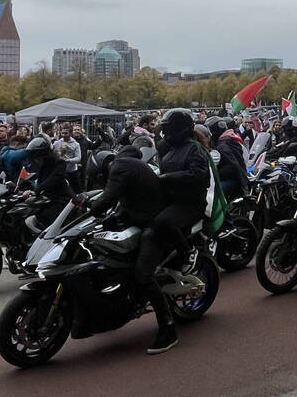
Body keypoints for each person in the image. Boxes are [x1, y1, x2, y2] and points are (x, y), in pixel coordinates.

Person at [84, 145, 169, 354]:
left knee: (144, 275)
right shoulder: (128, 165)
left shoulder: (120, 167)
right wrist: (114, 217)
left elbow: (109, 197)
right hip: (141, 217)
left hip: (152, 224)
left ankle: (168, 330)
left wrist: (91, 209)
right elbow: (128, 198)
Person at [143, 108, 211, 354]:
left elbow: (198, 176)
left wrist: (167, 178)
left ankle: (187, 250)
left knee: (162, 223)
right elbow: (150, 163)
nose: (165, 132)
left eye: (169, 128)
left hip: (189, 204)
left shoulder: (195, 149)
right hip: (169, 200)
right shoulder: (166, 147)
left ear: (181, 129)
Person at [52, 128, 82, 193]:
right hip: (60, 172)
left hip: (72, 172)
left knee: (76, 191)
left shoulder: (76, 144)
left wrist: (69, 160)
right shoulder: (57, 143)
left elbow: (78, 158)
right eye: (62, 133)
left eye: (66, 133)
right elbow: (52, 153)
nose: (64, 135)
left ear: (70, 133)